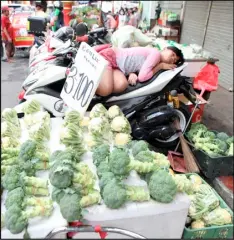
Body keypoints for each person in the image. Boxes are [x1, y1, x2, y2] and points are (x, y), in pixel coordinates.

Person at [94, 45, 185, 97]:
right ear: (165, 48)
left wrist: (132, 73)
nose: (172, 59)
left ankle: (101, 86)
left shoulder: (155, 58)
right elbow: (142, 77)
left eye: (175, 60)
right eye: (173, 54)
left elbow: (136, 63)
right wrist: (160, 66)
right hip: (109, 57)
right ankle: (93, 91)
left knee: (122, 84)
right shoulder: (156, 54)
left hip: (117, 65)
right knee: (106, 90)